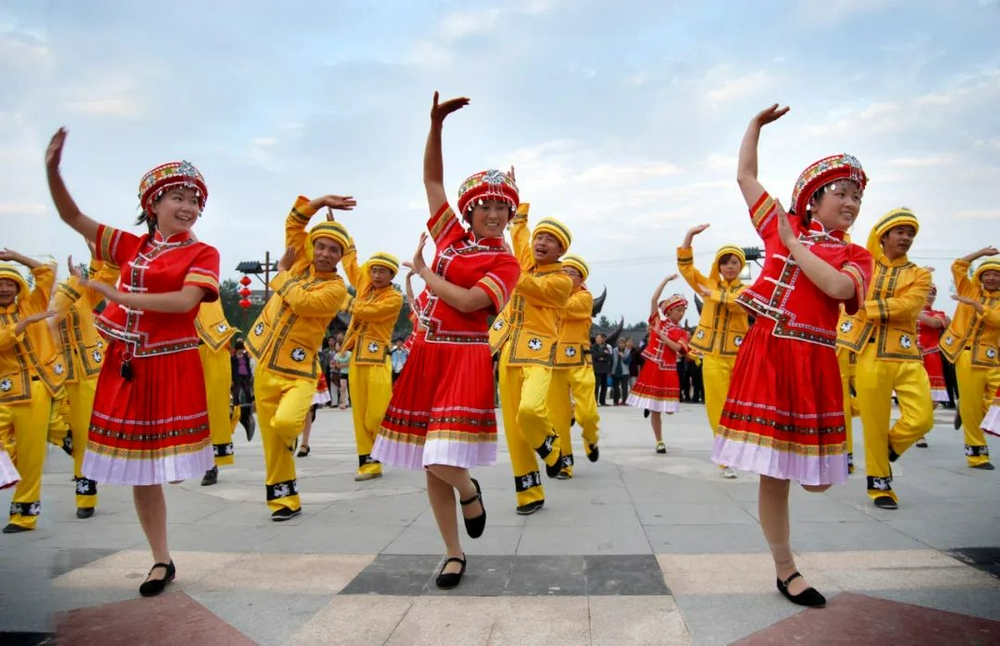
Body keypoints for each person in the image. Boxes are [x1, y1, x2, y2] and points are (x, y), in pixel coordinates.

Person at [47, 129, 222, 597]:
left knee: (170, 465)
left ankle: (166, 551)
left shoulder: (202, 253)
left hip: (171, 364)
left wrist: (116, 294)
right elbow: (71, 215)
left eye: (195, 201)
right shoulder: (130, 247)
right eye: (178, 198)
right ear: (154, 204)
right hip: (126, 362)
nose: (188, 207)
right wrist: (52, 170)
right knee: (142, 472)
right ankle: (160, 560)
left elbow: (185, 301)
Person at [711, 105, 874, 608]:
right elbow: (745, 175)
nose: (851, 202)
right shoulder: (780, 224)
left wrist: (792, 245)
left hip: (816, 360)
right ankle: (787, 570)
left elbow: (836, 286)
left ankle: (788, 559)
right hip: (769, 355)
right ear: (814, 198)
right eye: (842, 193)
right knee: (774, 473)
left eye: (857, 196)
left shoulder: (854, 253)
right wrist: (754, 128)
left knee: (820, 482)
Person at [370, 92, 521, 590]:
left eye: (503, 207)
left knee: (440, 457)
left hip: (466, 359)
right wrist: (435, 125)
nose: (495, 215)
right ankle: (453, 553)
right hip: (426, 356)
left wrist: (423, 273)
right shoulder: (451, 238)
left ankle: (470, 491)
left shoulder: (506, 263)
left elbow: (472, 302)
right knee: (428, 465)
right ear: (471, 209)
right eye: (487, 207)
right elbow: (432, 180)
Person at [246, 194, 354, 520]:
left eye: (333, 249)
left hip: (299, 369)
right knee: (271, 440)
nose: (324, 253)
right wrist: (319, 202)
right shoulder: (299, 263)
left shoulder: (336, 289)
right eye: (320, 245)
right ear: (312, 247)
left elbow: (302, 301)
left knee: (285, 423)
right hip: (265, 362)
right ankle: (285, 501)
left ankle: (283, 439)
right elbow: (294, 222)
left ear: (340, 257)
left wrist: (280, 274)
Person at [835, 209, 933, 509]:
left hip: (905, 354)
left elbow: (911, 305)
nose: (906, 238)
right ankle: (880, 485)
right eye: (900, 232)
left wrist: (868, 306)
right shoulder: (865, 266)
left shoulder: (920, 274)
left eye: (910, 234)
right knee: (874, 422)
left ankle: (890, 445)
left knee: (922, 418)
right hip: (868, 354)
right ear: (884, 235)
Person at [490, 202, 573, 515]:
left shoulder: (562, 280)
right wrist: (516, 205)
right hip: (508, 352)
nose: (541, 243)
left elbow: (529, 286)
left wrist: (510, 267)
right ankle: (529, 494)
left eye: (550, 240)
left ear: (561, 249)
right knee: (513, 431)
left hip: (538, 354)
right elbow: (520, 236)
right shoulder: (525, 262)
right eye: (540, 237)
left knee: (530, 410)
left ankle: (552, 448)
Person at [51, 247, 120, 517]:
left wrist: (97, 254)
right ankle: (80, 448)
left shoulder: (83, 298)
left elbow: (107, 277)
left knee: (83, 435)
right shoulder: (37, 306)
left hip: (88, 376)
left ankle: (85, 497)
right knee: (53, 426)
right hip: (54, 376)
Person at [677, 225, 749, 478]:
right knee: (717, 408)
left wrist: (715, 295)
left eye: (734, 262)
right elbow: (686, 269)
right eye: (725, 262)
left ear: (741, 266)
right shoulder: (706, 284)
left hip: (740, 357)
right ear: (718, 265)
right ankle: (725, 459)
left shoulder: (746, 290)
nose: (730, 266)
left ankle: (740, 450)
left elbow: (742, 305)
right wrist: (689, 237)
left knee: (740, 409)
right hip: (712, 357)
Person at [0, 253, 60, 533]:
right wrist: (22, 326)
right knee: (8, 453)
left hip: (35, 390)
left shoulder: (31, 304)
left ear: (18, 287)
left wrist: (14, 257)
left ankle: (24, 516)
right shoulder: (25, 316)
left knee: (31, 456)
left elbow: (46, 272)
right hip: (3, 393)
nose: (4, 288)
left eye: (9, 283)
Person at [339, 239, 403, 482]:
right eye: (374, 270)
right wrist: (344, 238)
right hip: (356, 356)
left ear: (391, 275)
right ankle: (369, 463)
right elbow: (351, 265)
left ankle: (384, 448)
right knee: (360, 415)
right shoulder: (365, 286)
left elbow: (368, 312)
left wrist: (342, 300)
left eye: (382, 271)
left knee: (376, 415)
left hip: (377, 359)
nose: (376, 275)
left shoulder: (394, 298)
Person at [939, 248, 1000, 470]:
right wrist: (981, 253)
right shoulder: (969, 289)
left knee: (987, 403)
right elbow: (957, 265)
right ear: (981, 277)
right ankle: (977, 456)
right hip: (965, 356)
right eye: (987, 274)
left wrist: (976, 306)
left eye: (997, 274)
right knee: (972, 408)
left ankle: (965, 407)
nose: (992, 278)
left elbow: (997, 320)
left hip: (992, 359)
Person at [548, 254, 600, 479]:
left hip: (580, 362)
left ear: (581, 278)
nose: (566, 276)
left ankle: (590, 436)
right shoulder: (551, 296)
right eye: (563, 272)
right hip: (553, 364)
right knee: (558, 416)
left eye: (571, 273)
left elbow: (564, 308)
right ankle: (565, 463)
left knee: (587, 413)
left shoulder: (584, 297)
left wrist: (545, 293)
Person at [626, 284, 689, 453]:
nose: (681, 313)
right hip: (653, 368)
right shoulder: (657, 322)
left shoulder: (682, 332)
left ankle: (651, 405)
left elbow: (679, 350)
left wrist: (661, 335)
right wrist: (666, 280)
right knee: (656, 410)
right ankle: (659, 441)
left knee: (668, 410)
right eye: (678, 310)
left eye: (683, 310)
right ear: (668, 311)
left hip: (669, 370)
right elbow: (654, 299)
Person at [195, 299, 241, 486]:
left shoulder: (202, 278)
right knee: (192, 409)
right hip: (184, 348)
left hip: (213, 347)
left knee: (214, 409)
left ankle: (211, 464)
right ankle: (239, 411)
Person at [916, 284, 950, 447]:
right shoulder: (904, 312)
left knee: (934, 400)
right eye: (925, 293)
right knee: (911, 395)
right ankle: (919, 433)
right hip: (910, 358)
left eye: (931, 294)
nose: (928, 296)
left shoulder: (938, 314)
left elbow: (935, 323)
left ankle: (920, 424)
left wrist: (912, 311)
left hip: (931, 357)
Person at [297, 371, 330, 457]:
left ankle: (304, 443)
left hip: (307, 368)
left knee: (307, 406)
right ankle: (292, 436)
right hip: (286, 368)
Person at [230, 338, 256, 439]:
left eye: (242, 349)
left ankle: (249, 403)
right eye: (239, 349)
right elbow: (232, 368)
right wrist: (232, 378)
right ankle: (236, 405)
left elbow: (248, 367)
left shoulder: (245, 357)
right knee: (236, 391)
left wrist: (249, 375)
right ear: (237, 349)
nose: (241, 351)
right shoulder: (233, 358)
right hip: (237, 377)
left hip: (245, 375)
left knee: (246, 390)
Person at [591, 334, 612, 405]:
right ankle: (595, 401)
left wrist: (603, 358)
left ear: (603, 339)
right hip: (597, 369)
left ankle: (602, 401)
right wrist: (604, 354)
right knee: (596, 386)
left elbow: (610, 357)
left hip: (605, 369)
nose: (599, 339)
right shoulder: (593, 347)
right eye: (597, 338)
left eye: (600, 338)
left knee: (604, 386)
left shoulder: (606, 347)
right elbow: (594, 356)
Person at [610, 338, 631, 405]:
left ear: (625, 344)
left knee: (624, 387)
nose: (621, 344)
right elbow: (611, 361)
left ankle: (624, 401)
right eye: (620, 343)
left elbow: (628, 362)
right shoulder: (614, 350)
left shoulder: (628, 351)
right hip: (615, 371)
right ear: (618, 344)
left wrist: (623, 356)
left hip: (625, 372)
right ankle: (616, 401)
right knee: (616, 387)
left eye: (622, 343)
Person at [334, 342, 352, 409]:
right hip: (342, 373)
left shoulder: (349, 353)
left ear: (341, 346)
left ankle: (352, 402)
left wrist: (342, 365)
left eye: (337, 346)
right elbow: (337, 366)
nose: (336, 347)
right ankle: (343, 403)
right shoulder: (336, 355)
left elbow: (351, 363)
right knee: (342, 388)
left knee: (351, 388)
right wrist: (344, 365)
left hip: (350, 372)